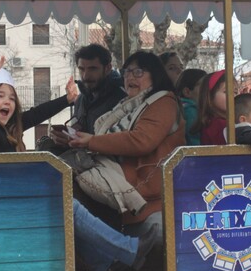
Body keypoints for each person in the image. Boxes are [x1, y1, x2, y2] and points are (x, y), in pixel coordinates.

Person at [0, 43, 158, 271]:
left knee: (67, 209)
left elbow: (37, 114)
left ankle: (103, 265)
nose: (7, 103)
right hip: (0, 206)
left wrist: (67, 99)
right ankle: (128, 251)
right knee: (68, 207)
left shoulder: (7, 127)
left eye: (11, 98)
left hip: (8, 200)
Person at [68, 51, 185, 246]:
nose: (130, 77)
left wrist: (91, 142)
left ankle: (113, 259)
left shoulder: (163, 102)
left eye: (138, 72)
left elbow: (141, 140)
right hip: (126, 177)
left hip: (145, 187)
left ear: (155, 75)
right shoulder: (127, 105)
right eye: (127, 72)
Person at [47, 44, 126, 152]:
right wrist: (67, 138)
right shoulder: (80, 100)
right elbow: (80, 130)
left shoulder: (123, 99)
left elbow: (122, 141)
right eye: (81, 69)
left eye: (92, 69)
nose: (85, 76)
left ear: (107, 68)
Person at [191, 70, 228, 145]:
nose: (233, 96)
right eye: (226, 92)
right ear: (210, 96)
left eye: (235, 92)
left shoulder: (210, 121)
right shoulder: (219, 124)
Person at [175, 68, 207, 145]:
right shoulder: (190, 111)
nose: (207, 90)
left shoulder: (178, 107)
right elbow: (194, 141)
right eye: (203, 87)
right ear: (187, 92)